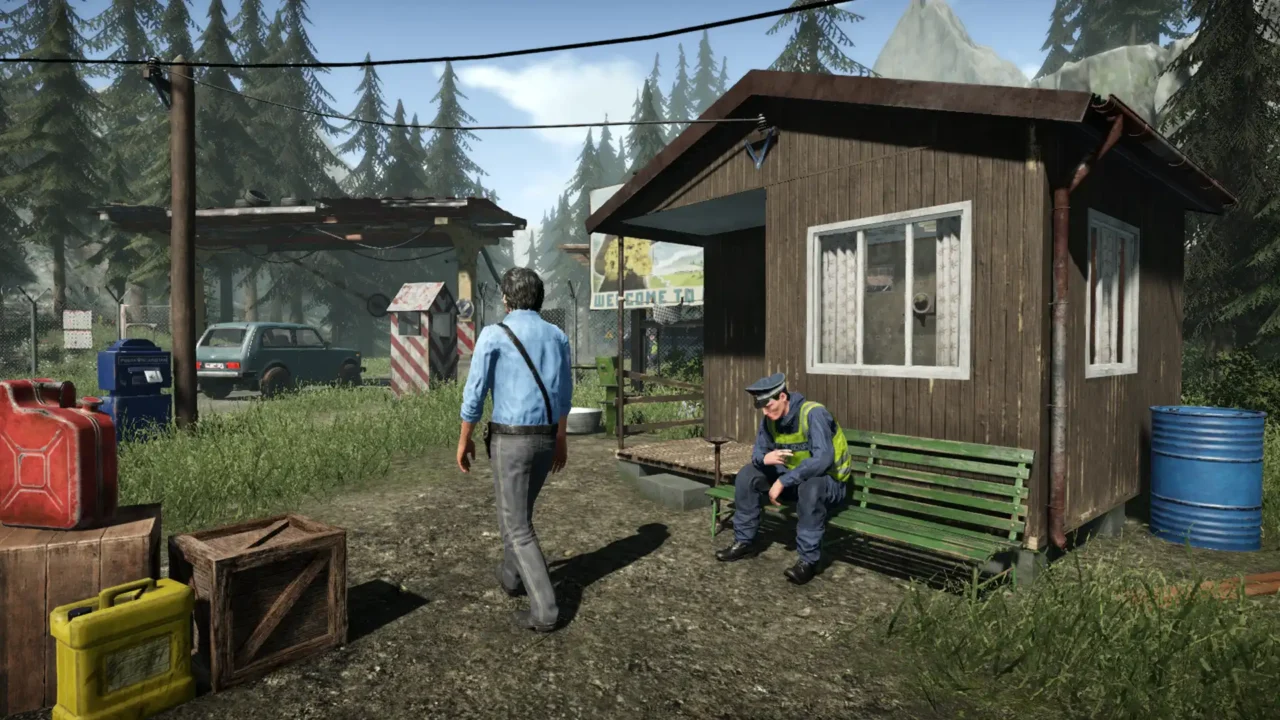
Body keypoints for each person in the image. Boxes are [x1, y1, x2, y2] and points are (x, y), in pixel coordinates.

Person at [457, 267, 573, 632]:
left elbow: (475, 393)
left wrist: (464, 438)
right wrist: (560, 438)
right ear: (538, 298)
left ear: (506, 299)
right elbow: (564, 395)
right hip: (545, 436)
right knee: (519, 512)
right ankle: (511, 576)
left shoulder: (494, 335)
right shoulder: (557, 336)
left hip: (512, 439)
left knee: (516, 526)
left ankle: (545, 611)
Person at [714, 372, 854, 585]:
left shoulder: (814, 414)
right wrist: (764, 458)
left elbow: (823, 460)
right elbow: (757, 454)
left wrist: (783, 482)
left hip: (829, 483)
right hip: (795, 482)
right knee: (747, 475)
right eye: (760, 406)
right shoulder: (770, 421)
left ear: (782, 397)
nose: (765, 411)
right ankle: (744, 542)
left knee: (811, 487)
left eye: (768, 405)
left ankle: (808, 561)